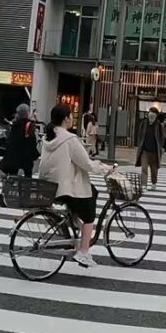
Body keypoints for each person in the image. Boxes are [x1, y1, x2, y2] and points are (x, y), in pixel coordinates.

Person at [38, 103, 113, 268]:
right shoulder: (69, 139)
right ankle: (84, 251)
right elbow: (86, 164)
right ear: (66, 118)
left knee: (90, 192)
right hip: (66, 187)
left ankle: (73, 223)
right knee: (89, 213)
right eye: (71, 115)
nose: (72, 118)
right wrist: (106, 169)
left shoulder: (48, 138)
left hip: (50, 186)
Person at [0, 104, 38, 206]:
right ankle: (26, 197)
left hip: (14, 155)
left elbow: (10, 140)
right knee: (28, 176)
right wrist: (35, 154)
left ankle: (4, 194)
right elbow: (32, 141)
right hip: (26, 155)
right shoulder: (29, 125)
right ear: (27, 113)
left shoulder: (14, 124)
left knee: (11, 176)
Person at [135, 108, 166, 190]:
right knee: (144, 168)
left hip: (154, 152)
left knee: (154, 169)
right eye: (150, 113)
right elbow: (140, 136)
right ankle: (144, 185)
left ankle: (153, 183)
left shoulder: (159, 125)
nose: (151, 115)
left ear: (156, 115)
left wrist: (160, 147)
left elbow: (162, 137)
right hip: (144, 150)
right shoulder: (143, 124)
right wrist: (140, 145)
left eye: (153, 113)